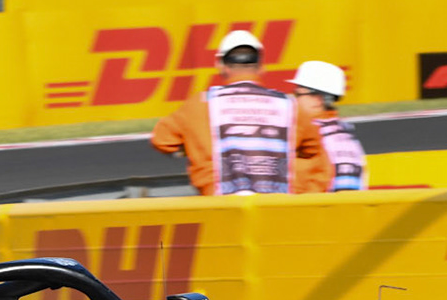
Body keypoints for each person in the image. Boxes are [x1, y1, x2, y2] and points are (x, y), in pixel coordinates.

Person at [151, 28, 326, 196]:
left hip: (221, 209)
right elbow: (314, 152)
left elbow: (162, 140)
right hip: (276, 208)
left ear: (220, 65)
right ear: (260, 66)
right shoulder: (290, 106)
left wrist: (190, 145)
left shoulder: (200, 104)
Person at [291, 59, 367, 192]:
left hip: (316, 208)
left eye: (298, 94)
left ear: (317, 99)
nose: (295, 100)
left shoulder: (309, 131)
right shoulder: (347, 133)